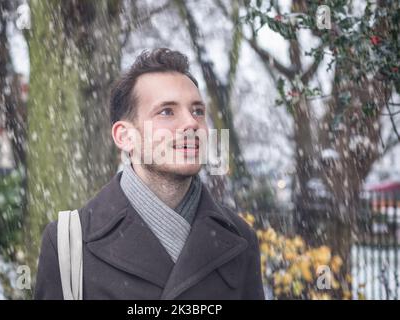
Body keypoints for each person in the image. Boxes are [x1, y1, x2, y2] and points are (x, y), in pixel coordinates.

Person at [34, 48, 265, 300]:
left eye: (197, 111)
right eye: (167, 111)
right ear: (125, 136)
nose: (191, 123)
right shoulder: (69, 242)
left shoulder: (240, 239)